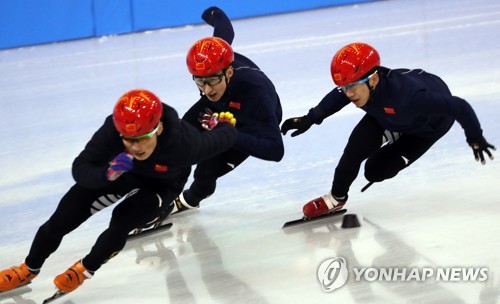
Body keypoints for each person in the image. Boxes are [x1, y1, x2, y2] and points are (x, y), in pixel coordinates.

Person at [0, 89, 237, 294]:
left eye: (142, 138)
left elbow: (223, 139)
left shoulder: (184, 144)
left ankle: (85, 268)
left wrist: (225, 125)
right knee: (62, 218)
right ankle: (27, 269)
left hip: (161, 184)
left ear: (159, 127)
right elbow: (80, 167)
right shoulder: (112, 130)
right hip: (121, 171)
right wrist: (107, 173)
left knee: (122, 220)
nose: (136, 146)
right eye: (129, 139)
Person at [280, 42, 496, 218]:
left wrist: (475, 137)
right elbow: (338, 96)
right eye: (345, 87)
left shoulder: (411, 98)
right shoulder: (362, 86)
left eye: (353, 87)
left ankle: (395, 138)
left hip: (425, 129)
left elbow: (458, 106)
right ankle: (336, 198)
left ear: (373, 80)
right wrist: (310, 118)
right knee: (354, 150)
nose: (349, 94)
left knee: (374, 171)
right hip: (387, 116)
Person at [173, 7, 284, 213]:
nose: (206, 89)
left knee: (206, 171)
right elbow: (225, 31)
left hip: (247, 120)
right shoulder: (217, 56)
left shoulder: (257, 93)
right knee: (179, 141)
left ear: (229, 71)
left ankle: (190, 199)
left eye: (213, 80)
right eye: (199, 81)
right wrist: (213, 14)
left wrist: (231, 135)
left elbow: (276, 150)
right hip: (221, 106)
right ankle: (164, 198)